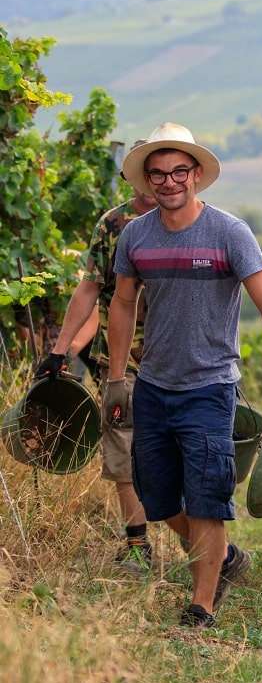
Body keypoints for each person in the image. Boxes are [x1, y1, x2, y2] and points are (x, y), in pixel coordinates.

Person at [107, 122, 262, 628]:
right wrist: (116, 379)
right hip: (153, 385)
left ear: (196, 174)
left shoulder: (229, 233)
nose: (169, 181)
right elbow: (121, 302)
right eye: (158, 174)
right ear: (146, 181)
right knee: (155, 496)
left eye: (179, 171)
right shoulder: (136, 236)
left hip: (209, 386)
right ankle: (221, 557)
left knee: (206, 494)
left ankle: (202, 604)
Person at [36, 141, 157, 572]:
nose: (149, 179)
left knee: (176, 451)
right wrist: (59, 349)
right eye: (140, 170)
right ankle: (138, 542)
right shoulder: (114, 223)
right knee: (122, 450)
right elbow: (90, 288)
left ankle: (199, 542)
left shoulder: (191, 221)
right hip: (119, 361)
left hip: (177, 361)